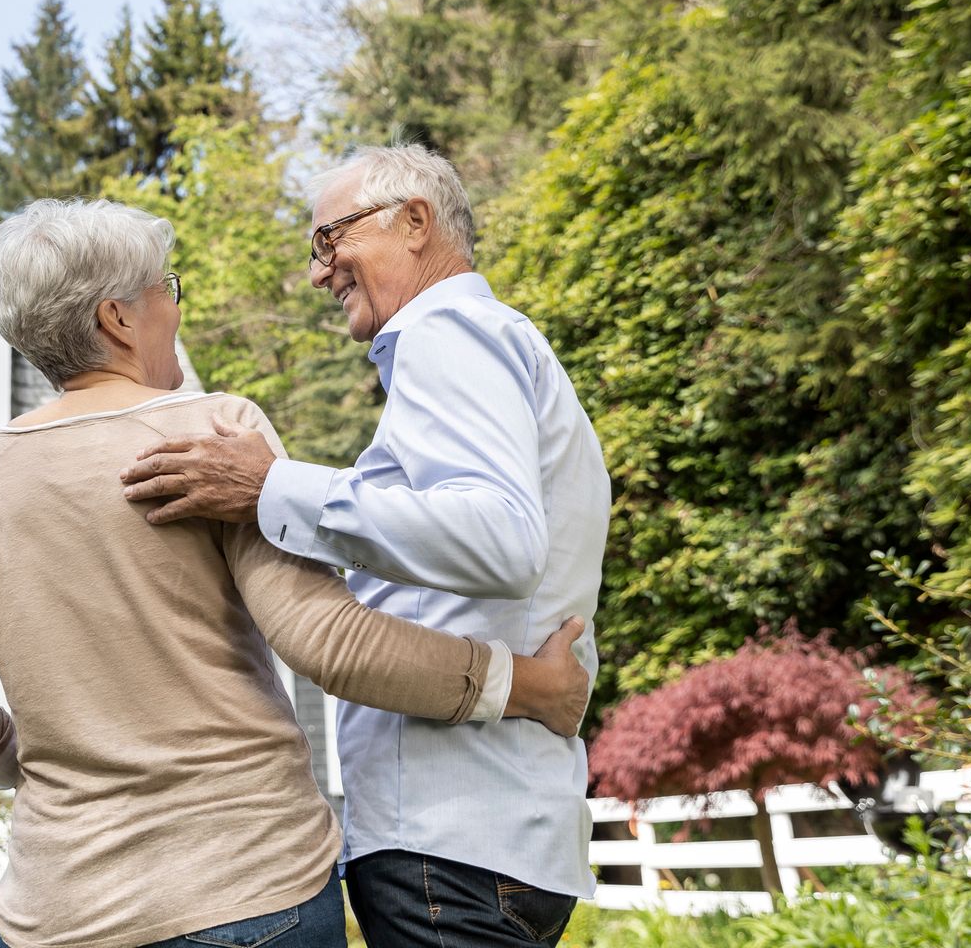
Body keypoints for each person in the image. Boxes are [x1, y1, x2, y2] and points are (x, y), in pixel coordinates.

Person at [0, 197, 592, 948]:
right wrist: (518, 684)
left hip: (55, 916)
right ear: (118, 319)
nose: (173, 310)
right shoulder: (213, 434)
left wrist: (3, 752)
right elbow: (328, 643)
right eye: (165, 290)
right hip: (248, 891)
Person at [121, 146, 612, 948]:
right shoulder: (496, 346)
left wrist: (271, 489)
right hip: (486, 839)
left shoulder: (446, 331)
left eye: (330, 240)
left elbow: (500, 539)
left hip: (450, 845)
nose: (320, 272)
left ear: (414, 220)